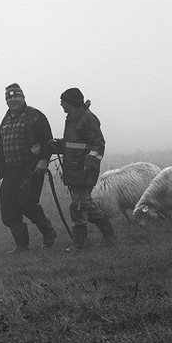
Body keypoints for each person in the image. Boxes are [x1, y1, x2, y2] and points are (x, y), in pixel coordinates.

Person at [0, 83, 58, 253]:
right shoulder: (6, 120)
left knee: (27, 204)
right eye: (9, 97)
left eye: (16, 96)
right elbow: (1, 146)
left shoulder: (35, 116)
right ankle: (21, 246)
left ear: (23, 97)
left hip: (31, 169)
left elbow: (48, 141)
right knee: (9, 207)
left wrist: (44, 160)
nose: (13, 100)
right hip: (10, 171)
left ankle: (49, 232)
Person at [50, 87, 117, 251]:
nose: (61, 105)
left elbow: (98, 143)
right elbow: (74, 143)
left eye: (63, 101)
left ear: (71, 103)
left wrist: (90, 163)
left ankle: (79, 244)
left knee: (78, 207)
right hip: (75, 171)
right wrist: (58, 144)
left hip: (84, 171)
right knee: (87, 206)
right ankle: (110, 237)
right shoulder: (73, 118)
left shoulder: (88, 118)